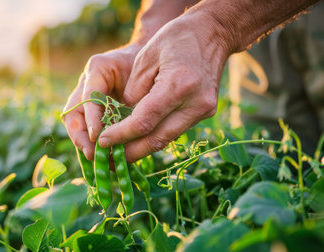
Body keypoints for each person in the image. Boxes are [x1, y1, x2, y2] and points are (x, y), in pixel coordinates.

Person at [62, 0, 321, 162]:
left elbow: (220, 23)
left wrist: (218, 25)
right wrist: (146, 43)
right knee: (273, 173)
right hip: (253, 41)